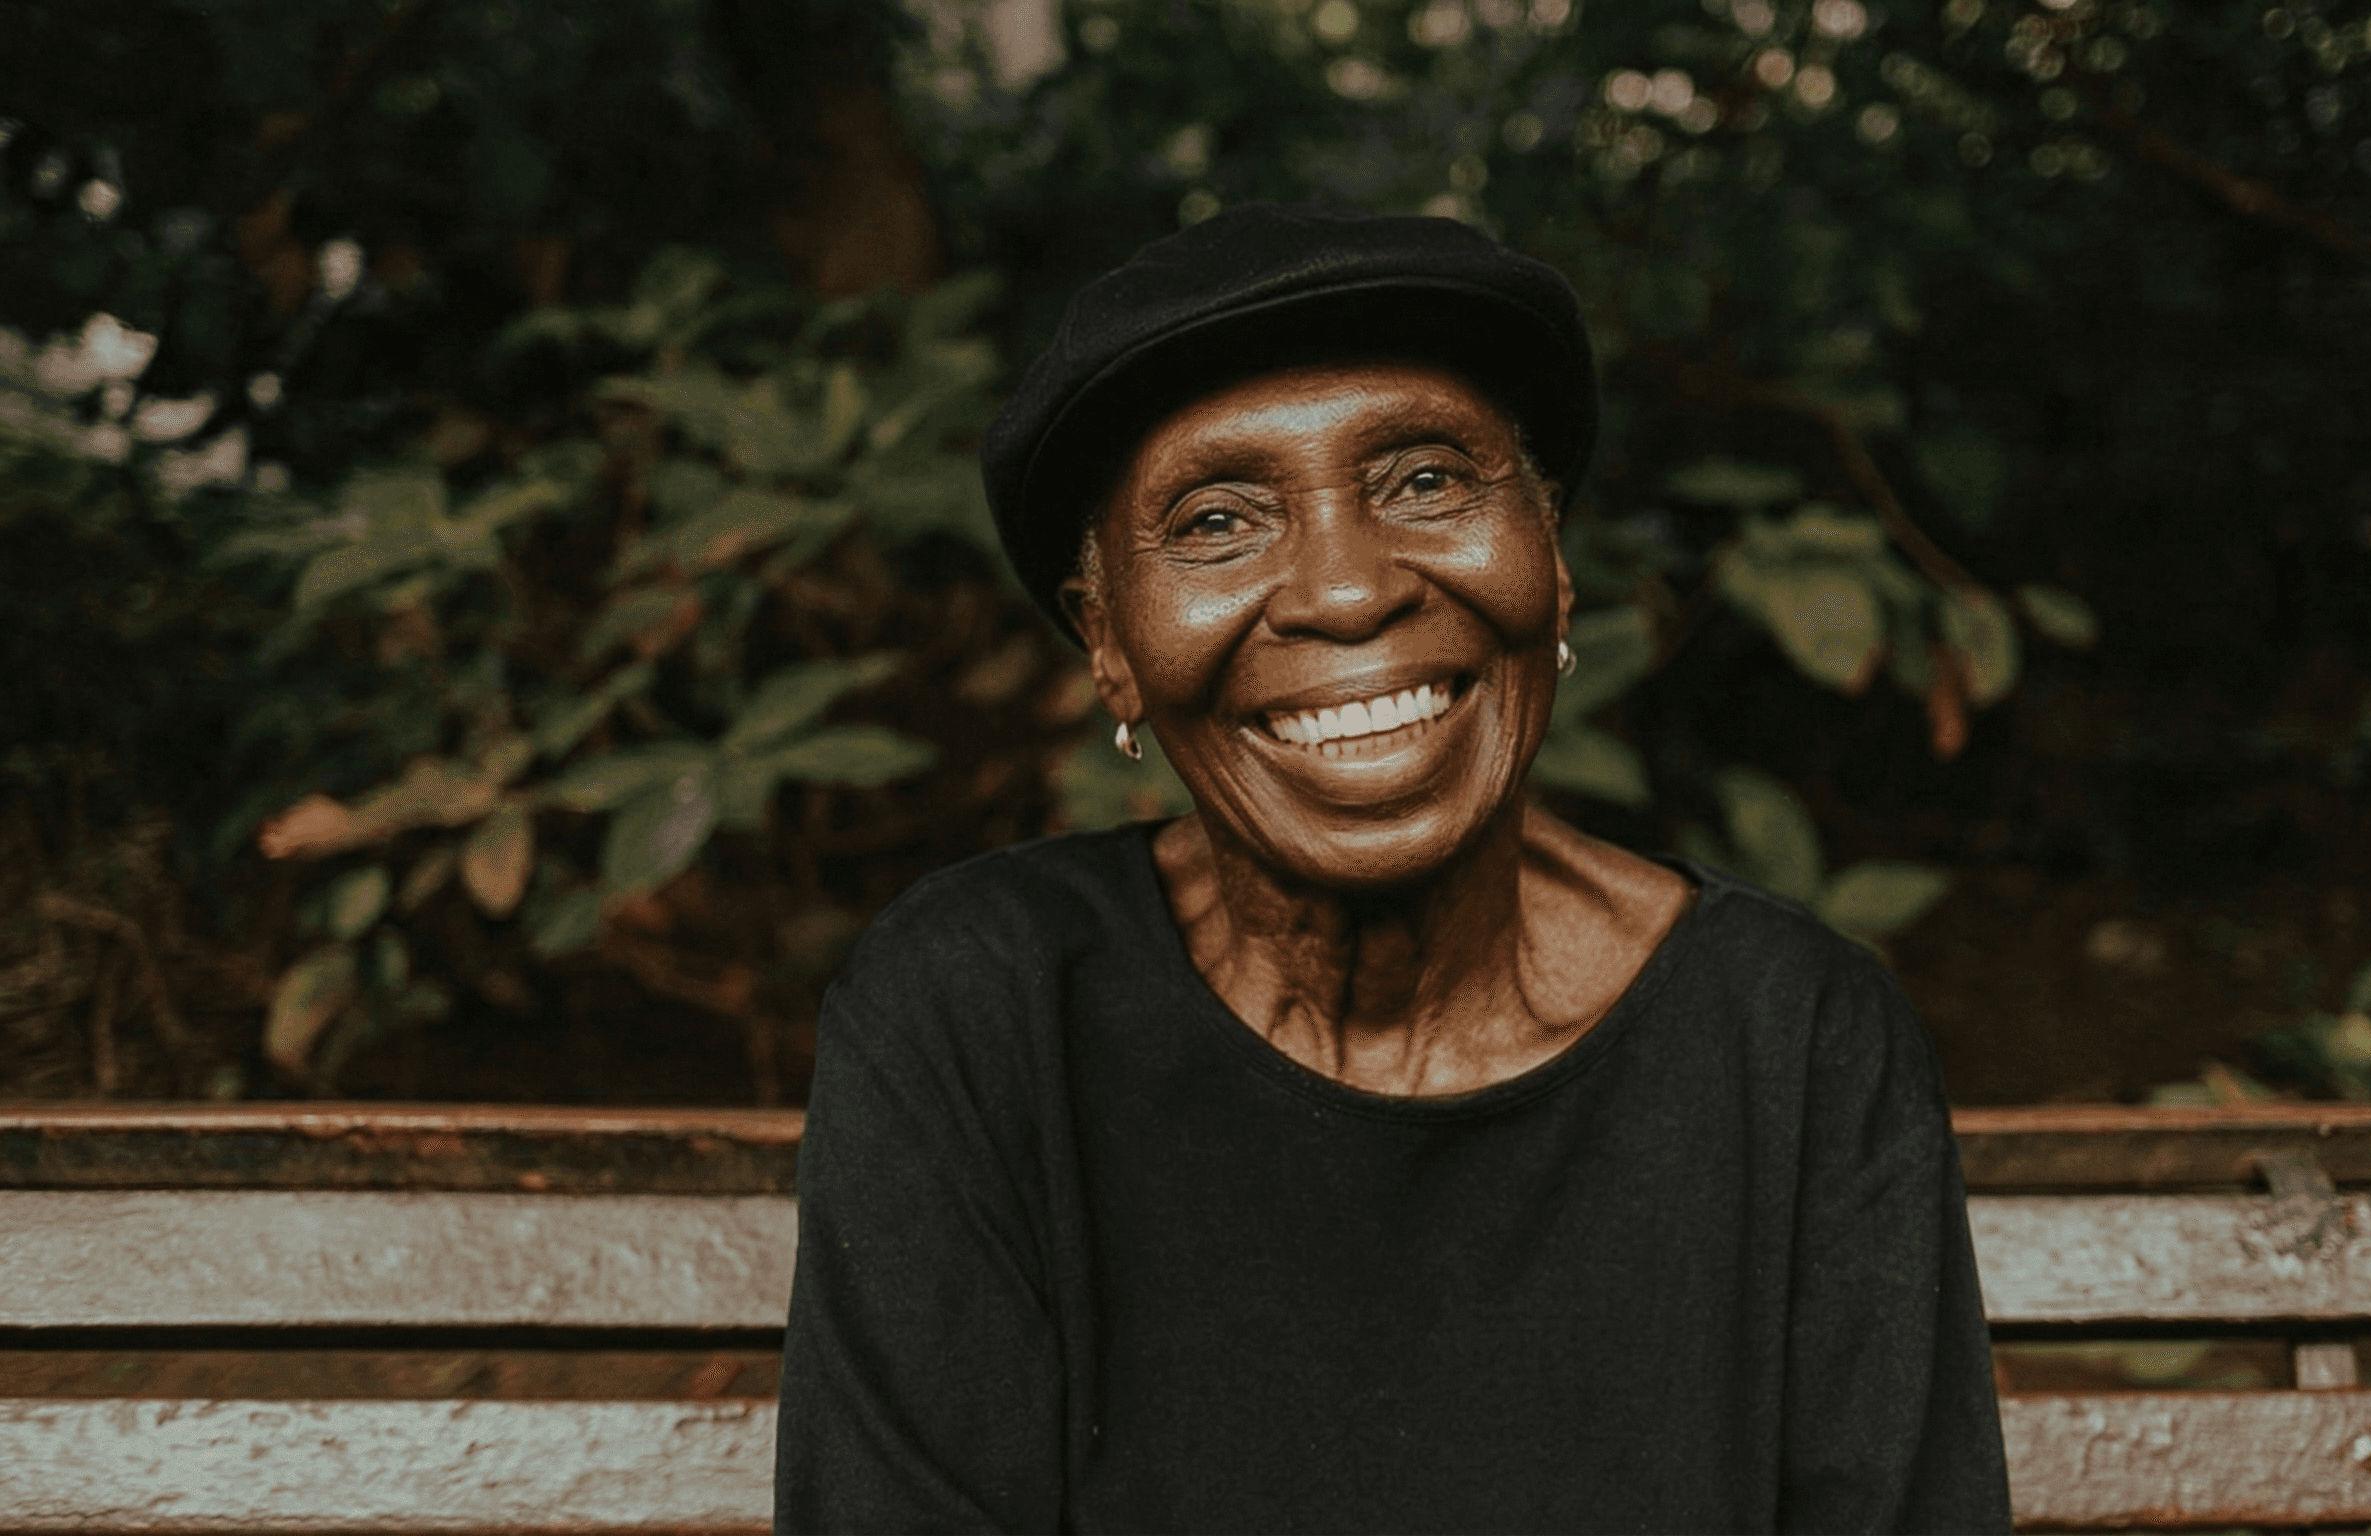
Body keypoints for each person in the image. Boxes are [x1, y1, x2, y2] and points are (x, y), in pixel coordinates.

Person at [774, 204, 2012, 1533]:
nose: (1348, 591)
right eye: (1214, 521)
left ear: (1553, 562)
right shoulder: (980, 1015)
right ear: (1112, 646)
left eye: (1426, 480)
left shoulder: (1798, 1045)